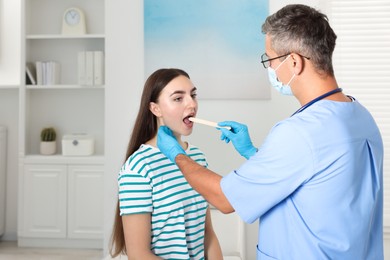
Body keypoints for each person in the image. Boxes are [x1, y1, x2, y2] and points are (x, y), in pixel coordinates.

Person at [157, 4, 384, 260]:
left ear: (295, 62)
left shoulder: (299, 133)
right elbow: (312, 178)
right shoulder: (360, 115)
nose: (269, 69)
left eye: (270, 59)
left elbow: (224, 199)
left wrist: (177, 155)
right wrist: (252, 152)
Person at [109, 68, 223, 259]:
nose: (191, 104)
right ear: (156, 109)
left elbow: (207, 234)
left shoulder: (197, 157)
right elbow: (138, 255)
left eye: (193, 95)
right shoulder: (138, 168)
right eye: (178, 98)